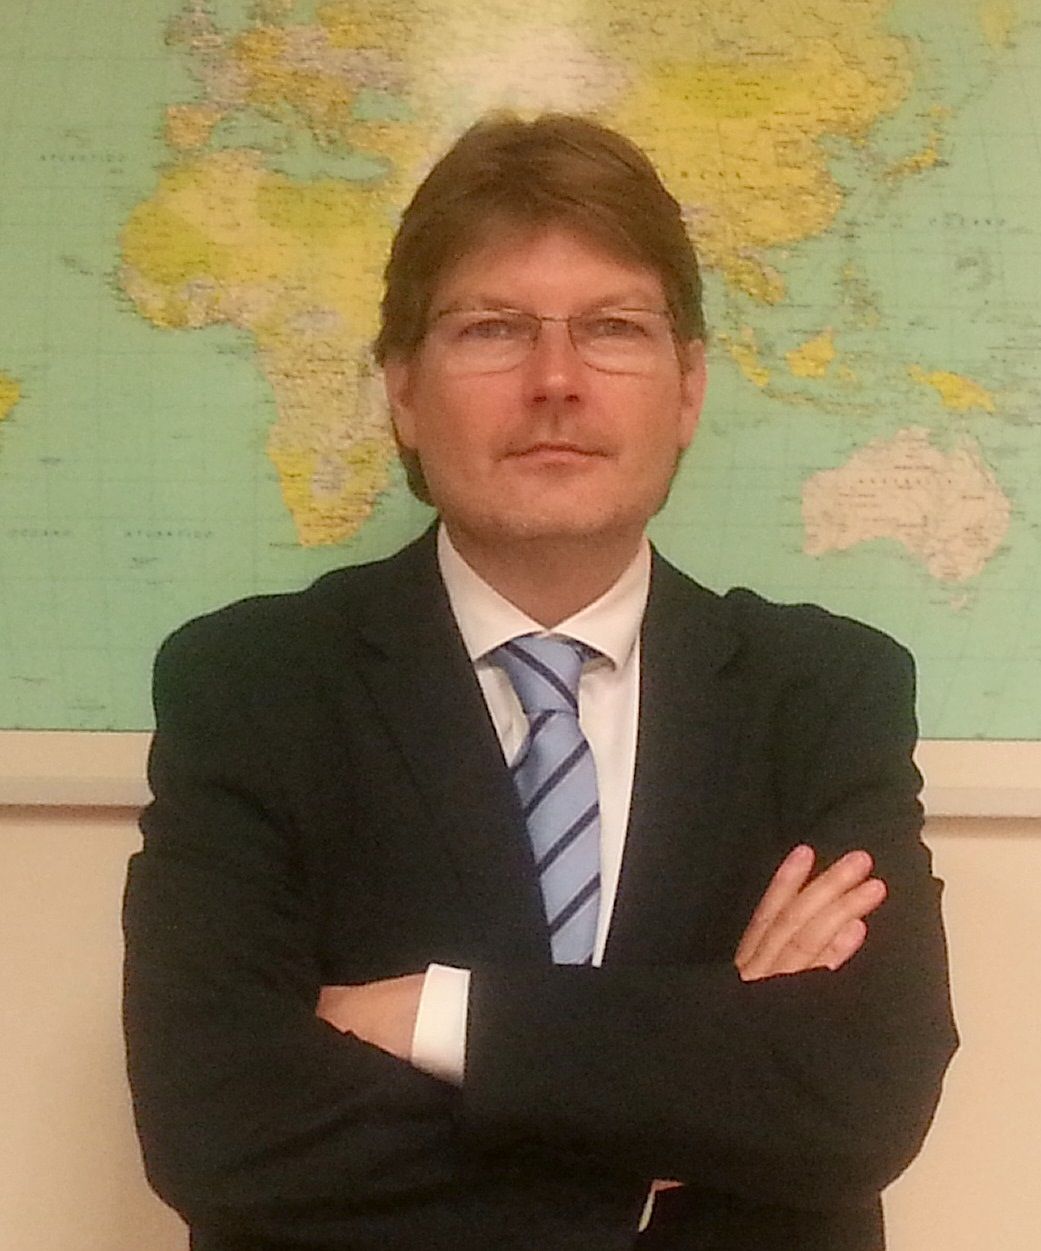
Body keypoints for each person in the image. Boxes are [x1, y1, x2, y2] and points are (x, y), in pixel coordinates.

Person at [123, 114, 957, 1251]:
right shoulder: (252, 686)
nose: (556, 380)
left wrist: (437, 1014)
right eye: (492, 329)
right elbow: (219, 1125)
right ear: (402, 388)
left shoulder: (823, 692)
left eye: (613, 328)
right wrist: (676, 1114)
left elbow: (856, 1098)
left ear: (689, 387)